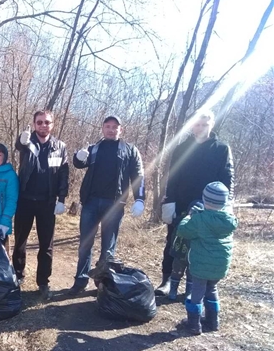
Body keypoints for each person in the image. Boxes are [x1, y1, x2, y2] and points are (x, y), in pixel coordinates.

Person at [156, 110, 234, 296]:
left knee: (201, 246)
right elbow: (172, 176)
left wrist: (227, 203)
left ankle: (193, 286)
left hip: (210, 207)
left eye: (204, 124)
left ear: (211, 124)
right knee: (173, 243)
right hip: (181, 203)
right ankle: (167, 280)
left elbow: (227, 178)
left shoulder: (221, 149)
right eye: (197, 124)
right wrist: (169, 202)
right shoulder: (182, 148)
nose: (200, 128)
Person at [68, 116, 145, 296]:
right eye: (107, 126)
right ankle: (80, 281)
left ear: (121, 130)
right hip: (91, 202)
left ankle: (102, 283)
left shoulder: (130, 150)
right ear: (102, 128)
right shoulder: (93, 148)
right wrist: (78, 157)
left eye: (114, 127)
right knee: (85, 244)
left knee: (108, 248)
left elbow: (138, 176)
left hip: (114, 204)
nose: (111, 130)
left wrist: (140, 199)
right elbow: (79, 163)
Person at [13, 110, 69, 300]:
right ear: (34, 124)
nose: (43, 125)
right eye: (39, 122)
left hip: (47, 203)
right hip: (25, 200)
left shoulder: (60, 147)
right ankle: (18, 276)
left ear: (52, 125)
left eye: (47, 122)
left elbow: (63, 174)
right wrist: (22, 140)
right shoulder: (27, 143)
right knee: (20, 242)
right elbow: (18, 145)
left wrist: (62, 199)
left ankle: (43, 282)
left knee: (47, 245)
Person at [177, 182, 237, 335]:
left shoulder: (199, 219)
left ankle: (193, 325)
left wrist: (189, 216)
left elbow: (183, 231)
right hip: (220, 266)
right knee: (212, 288)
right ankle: (213, 321)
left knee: (197, 292)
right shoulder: (228, 220)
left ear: (204, 199)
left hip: (201, 265)